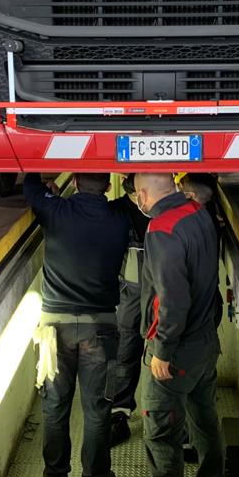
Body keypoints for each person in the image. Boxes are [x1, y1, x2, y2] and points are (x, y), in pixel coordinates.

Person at [118, 173, 226, 477]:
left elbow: (171, 298)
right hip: (204, 343)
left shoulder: (161, 229)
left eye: (137, 195)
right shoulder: (198, 212)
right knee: (204, 417)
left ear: (143, 194)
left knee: (161, 437)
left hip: (175, 354)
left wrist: (161, 351)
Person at [23, 173, 130, 477]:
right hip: (101, 326)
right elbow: (137, 188)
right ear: (108, 186)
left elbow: (29, 184)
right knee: (97, 410)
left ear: (76, 182)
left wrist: (50, 189)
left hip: (55, 327)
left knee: (55, 406)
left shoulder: (55, 210)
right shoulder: (121, 215)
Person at [107, 174, 149, 447]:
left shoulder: (164, 207)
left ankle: (166, 417)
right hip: (129, 296)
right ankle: (118, 412)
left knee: (164, 354)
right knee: (124, 353)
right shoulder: (116, 211)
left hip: (160, 293)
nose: (141, 201)